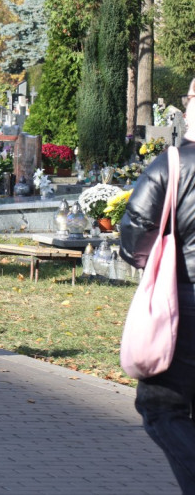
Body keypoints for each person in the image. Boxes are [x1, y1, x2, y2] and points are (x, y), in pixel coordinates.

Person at [120, 79, 195, 493]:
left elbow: (135, 234)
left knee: (160, 408)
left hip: (182, 307)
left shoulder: (172, 164)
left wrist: (147, 264)